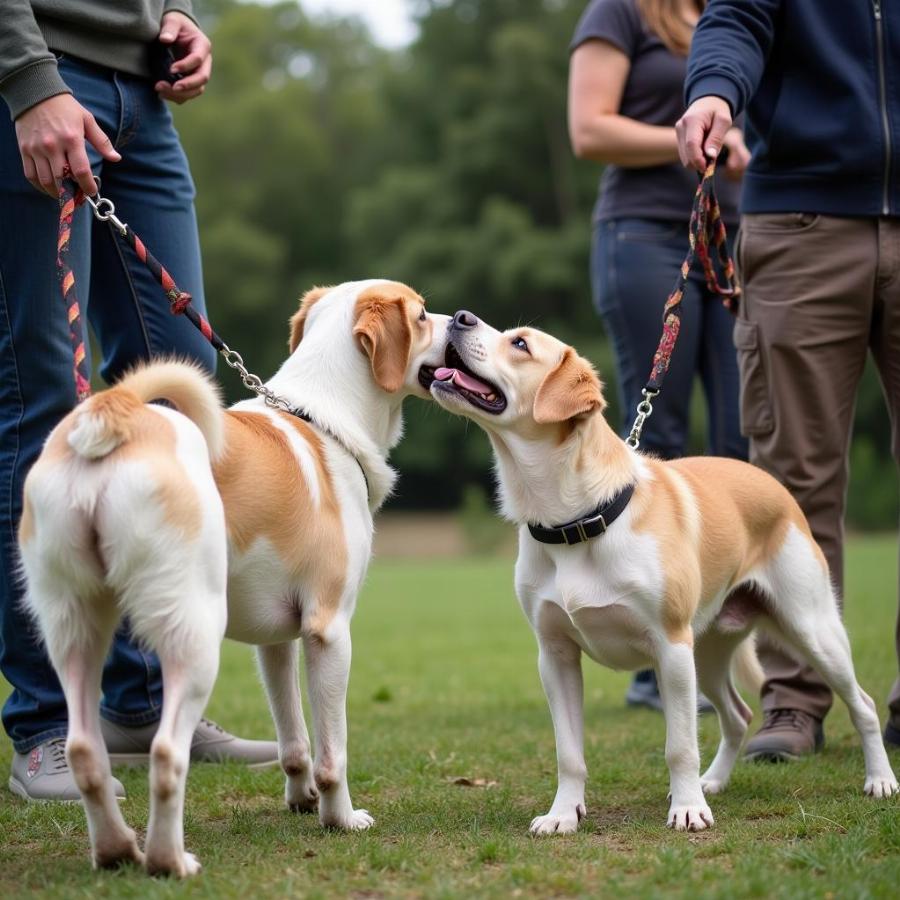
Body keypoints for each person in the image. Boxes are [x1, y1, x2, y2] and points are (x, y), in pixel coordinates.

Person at [0, 1, 277, 802]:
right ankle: (51, 724)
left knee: (180, 390)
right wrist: (27, 79)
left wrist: (177, 11)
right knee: (46, 399)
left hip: (141, 95)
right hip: (40, 75)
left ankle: (144, 702)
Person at [677, 0, 900, 759]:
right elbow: (738, 15)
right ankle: (795, 700)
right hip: (804, 219)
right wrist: (712, 89)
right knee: (792, 480)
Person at [568, 0, 749, 712]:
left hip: (736, 235)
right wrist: (688, 137)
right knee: (662, 440)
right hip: (642, 235)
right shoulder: (620, 12)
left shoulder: (744, 16)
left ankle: (723, 656)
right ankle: (652, 659)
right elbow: (588, 129)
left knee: (739, 447)